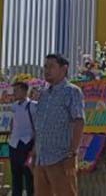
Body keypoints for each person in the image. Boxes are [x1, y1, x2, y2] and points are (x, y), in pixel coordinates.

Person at [32, 54, 85, 196]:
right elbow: (40, 124)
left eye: (51, 67)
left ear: (64, 69)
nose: (46, 70)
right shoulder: (43, 94)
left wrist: (72, 154)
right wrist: (35, 152)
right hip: (41, 159)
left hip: (60, 159)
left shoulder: (72, 91)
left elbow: (79, 122)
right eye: (45, 67)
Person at [9, 81, 36, 196]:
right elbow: (12, 122)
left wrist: (34, 147)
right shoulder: (14, 106)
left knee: (29, 176)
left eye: (16, 90)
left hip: (27, 143)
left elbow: (37, 127)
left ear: (25, 91)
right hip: (14, 144)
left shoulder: (34, 106)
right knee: (15, 176)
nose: (14, 93)